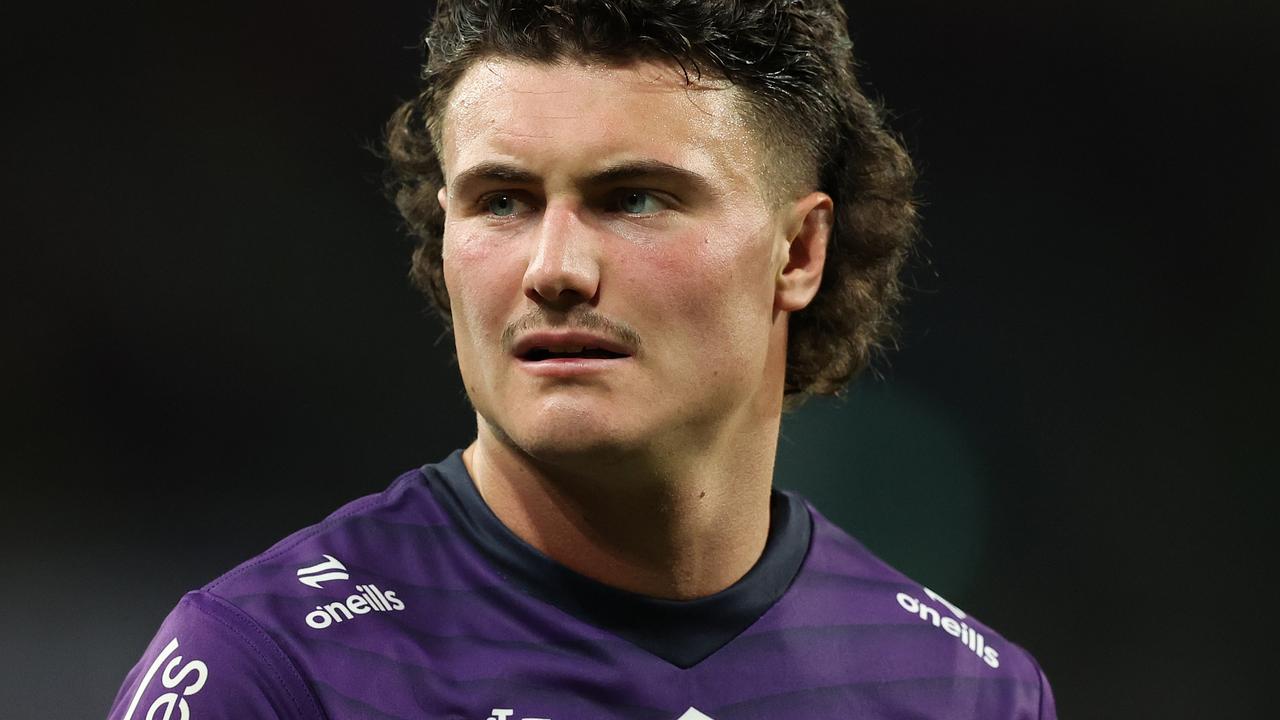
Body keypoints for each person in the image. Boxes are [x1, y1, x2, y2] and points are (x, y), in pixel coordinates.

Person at [109, 1, 1056, 718]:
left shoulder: (966, 693)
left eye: (635, 198)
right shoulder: (267, 672)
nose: (554, 269)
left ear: (798, 253)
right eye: (502, 201)